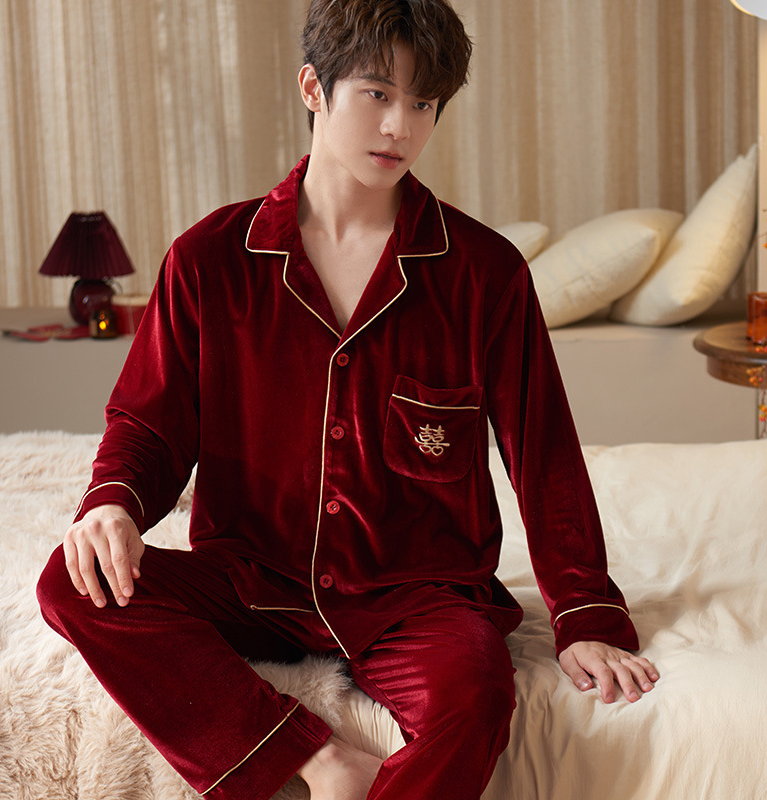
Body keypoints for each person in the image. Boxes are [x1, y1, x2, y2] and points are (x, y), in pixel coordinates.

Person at [37, 1, 659, 798]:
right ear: (313, 88)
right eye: (376, 94)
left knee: (476, 693)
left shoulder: (484, 273)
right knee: (71, 581)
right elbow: (149, 424)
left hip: (418, 598)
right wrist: (113, 502)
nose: (400, 125)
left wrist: (585, 615)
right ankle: (320, 760)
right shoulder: (209, 260)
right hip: (250, 579)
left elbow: (544, 455)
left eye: (423, 103)